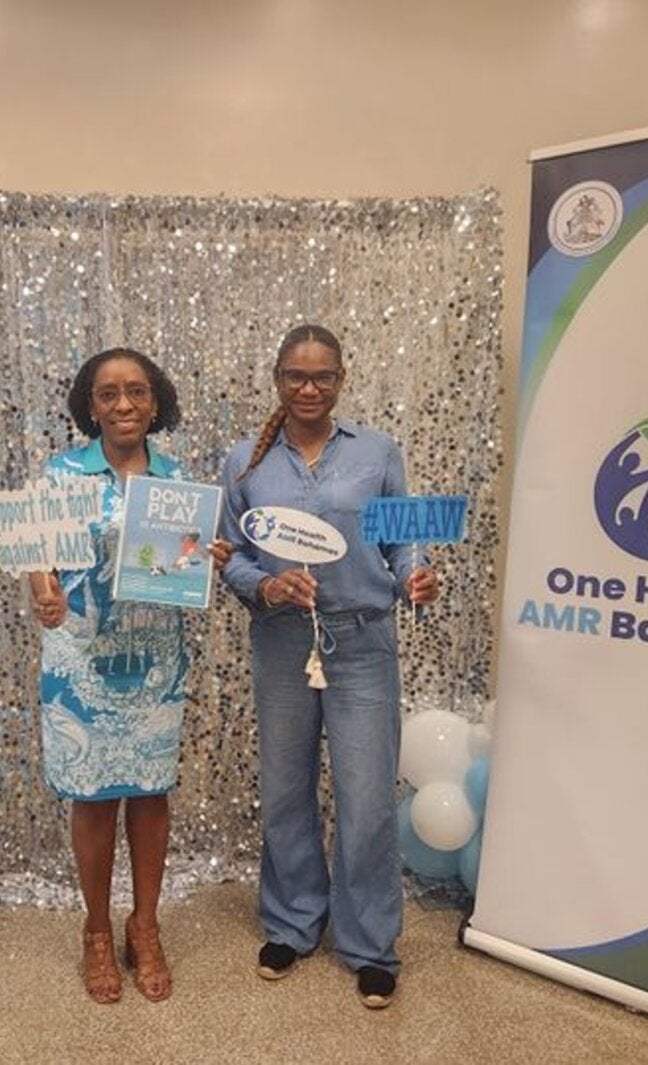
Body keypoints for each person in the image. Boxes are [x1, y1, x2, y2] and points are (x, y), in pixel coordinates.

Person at [218, 324, 438, 1009]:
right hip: (284, 641)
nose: (309, 389)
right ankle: (291, 921)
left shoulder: (375, 452)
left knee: (368, 796)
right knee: (285, 788)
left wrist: (416, 574)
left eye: (323, 377)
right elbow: (231, 556)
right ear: (276, 379)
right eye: (295, 377)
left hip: (364, 639)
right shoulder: (245, 462)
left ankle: (369, 942)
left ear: (342, 378)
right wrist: (266, 586)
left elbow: (401, 540)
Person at [29, 347, 232, 1004]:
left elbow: (182, 564)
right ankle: (95, 932)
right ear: (90, 404)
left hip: (153, 663)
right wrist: (45, 593)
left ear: (156, 400)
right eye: (108, 393)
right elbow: (40, 557)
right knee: (91, 798)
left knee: (149, 795)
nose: (123, 404)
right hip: (80, 659)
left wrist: (208, 555)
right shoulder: (60, 474)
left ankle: (144, 926)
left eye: (136, 392)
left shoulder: (176, 479)